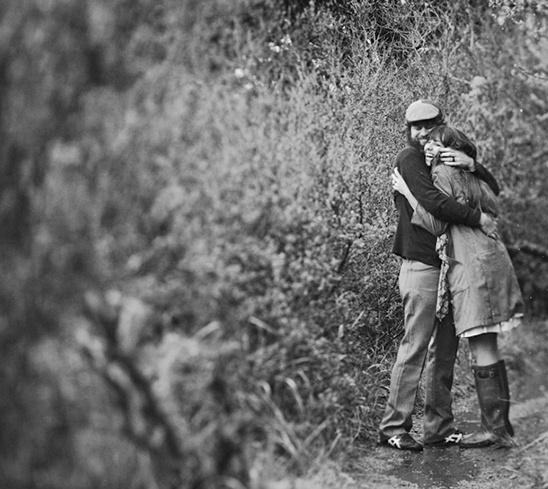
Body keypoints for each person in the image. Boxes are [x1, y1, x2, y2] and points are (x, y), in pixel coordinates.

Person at [378, 100, 500, 452]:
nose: (421, 133)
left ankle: (438, 428)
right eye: (414, 127)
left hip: (450, 264)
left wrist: (472, 164)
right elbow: (435, 204)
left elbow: (489, 189)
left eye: (428, 126)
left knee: (444, 350)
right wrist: (478, 219)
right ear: (408, 130)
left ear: (439, 125)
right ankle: (393, 428)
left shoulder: (445, 156)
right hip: (421, 264)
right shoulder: (409, 159)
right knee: (415, 346)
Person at [392, 124, 524, 448]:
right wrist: (473, 164)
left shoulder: (442, 174)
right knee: (487, 344)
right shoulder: (474, 178)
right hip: (493, 259)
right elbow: (493, 200)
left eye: (436, 143)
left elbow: (437, 222)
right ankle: (500, 428)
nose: (429, 147)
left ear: (450, 149)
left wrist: (409, 192)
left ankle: (496, 431)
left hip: (472, 264)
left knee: (481, 345)